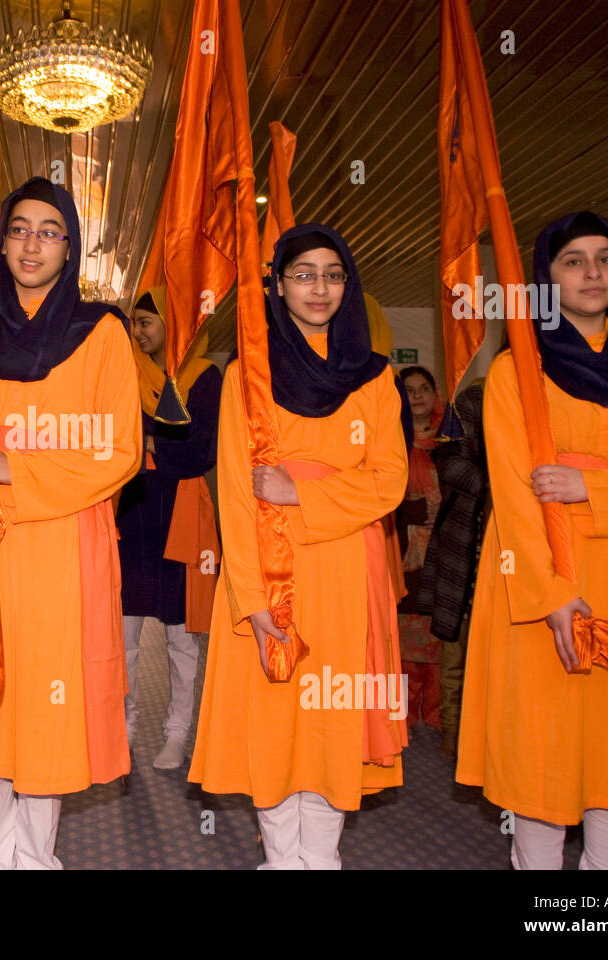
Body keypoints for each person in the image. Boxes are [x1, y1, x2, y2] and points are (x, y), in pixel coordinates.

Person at [457, 211, 608, 870]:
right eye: (573, 260)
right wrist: (555, 597)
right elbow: (514, 496)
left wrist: (594, 488)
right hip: (539, 580)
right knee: (543, 752)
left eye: (605, 258)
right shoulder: (517, 372)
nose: (591, 272)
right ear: (547, 279)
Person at [0, 176, 140, 869]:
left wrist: (17, 468)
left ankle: (37, 861)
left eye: (49, 230)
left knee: (46, 720)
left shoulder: (101, 334)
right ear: (0, 242)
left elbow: (120, 451)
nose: (32, 243)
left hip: (64, 552)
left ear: (69, 248)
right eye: (19, 229)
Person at [188, 224, 409, 869]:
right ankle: (285, 861)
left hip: (348, 570)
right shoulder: (246, 377)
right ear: (277, 286)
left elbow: (390, 482)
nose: (319, 287)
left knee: (334, 720)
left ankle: (322, 861)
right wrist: (251, 601)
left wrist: (300, 495)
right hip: (268, 573)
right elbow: (233, 491)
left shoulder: (374, 378)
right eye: (303, 273)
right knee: (277, 727)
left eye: (333, 274)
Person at [117, 286, 221, 770]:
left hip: (181, 509)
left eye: (146, 323)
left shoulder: (203, 376)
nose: (138, 332)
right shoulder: (123, 373)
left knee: (182, 634)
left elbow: (205, 451)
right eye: (135, 323)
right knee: (124, 630)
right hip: (132, 509)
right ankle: (124, 725)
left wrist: (149, 447)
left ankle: (178, 732)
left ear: (172, 327)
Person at [414, 379, 488, 757]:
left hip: (521, 542)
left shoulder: (555, 398)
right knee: (456, 647)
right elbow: (449, 458)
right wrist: (502, 487)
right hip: (464, 538)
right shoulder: (476, 398)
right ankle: (453, 734)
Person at [395, 365, 448, 733]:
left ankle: (436, 713)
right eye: (409, 390)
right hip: (401, 552)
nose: (416, 396)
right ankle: (403, 714)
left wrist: (438, 513)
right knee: (402, 636)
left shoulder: (452, 442)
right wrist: (413, 510)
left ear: (434, 394)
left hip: (444, 552)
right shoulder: (389, 439)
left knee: (438, 634)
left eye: (424, 388)